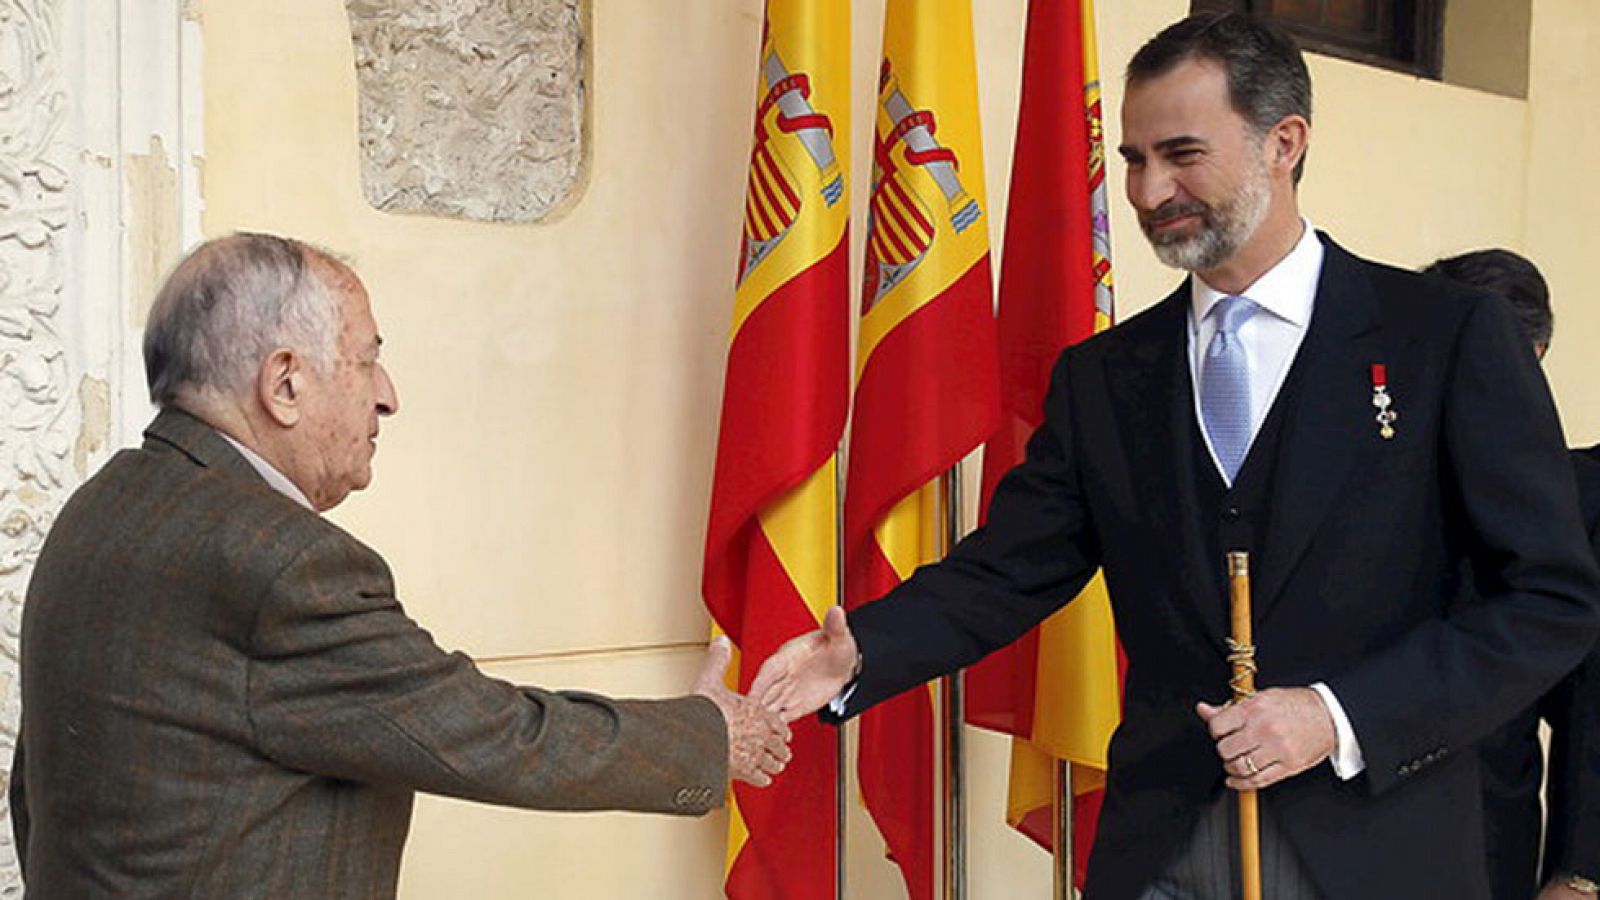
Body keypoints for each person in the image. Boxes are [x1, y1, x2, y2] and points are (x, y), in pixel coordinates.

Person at [753, 13, 1600, 900]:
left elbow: (1551, 601)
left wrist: (1336, 717)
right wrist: (861, 653)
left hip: (1383, 850)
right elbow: (1008, 571)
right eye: (1131, 158)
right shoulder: (1102, 377)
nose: (1151, 190)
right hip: (1159, 852)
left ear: (1285, 142)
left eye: (1183, 154)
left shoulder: (1448, 339)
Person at [7, 232, 791, 898]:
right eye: (367, 360)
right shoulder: (281, 562)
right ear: (285, 382)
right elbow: (489, 735)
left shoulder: (103, 506)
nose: (387, 396)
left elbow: (35, 792)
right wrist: (706, 738)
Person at [1422, 249, 1600, 900]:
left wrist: (1581, 874)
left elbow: (1594, 714)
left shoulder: (1579, 495)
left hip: (1485, 847)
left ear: (1538, 353)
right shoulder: (1362, 483)